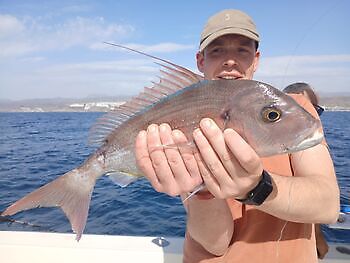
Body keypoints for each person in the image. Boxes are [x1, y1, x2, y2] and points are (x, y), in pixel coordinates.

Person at [134, 9, 340, 262]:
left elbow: (329, 206)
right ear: (201, 61)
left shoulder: (291, 110)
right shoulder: (186, 117)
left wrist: (256, 187)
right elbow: (215, 243)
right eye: (217, 50)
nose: (230, 61)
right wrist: (202, 192)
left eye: (242, 50)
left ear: (256, 59)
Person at [283, 82, 329, 259]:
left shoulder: (312, 147)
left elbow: (317, 200)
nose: (308, 118)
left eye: (314, 111)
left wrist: (317, 237)